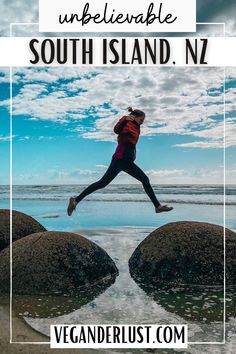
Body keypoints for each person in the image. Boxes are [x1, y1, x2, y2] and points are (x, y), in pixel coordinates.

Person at [67, 107, 173, 216]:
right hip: (120, 159)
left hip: (127, 161)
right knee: (104, 183)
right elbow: (116, 130)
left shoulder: (136, 127)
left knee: (106, 183)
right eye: (141, 120)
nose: (142, 122)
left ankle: (76, 200)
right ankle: (157, 206)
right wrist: (126, 119)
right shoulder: (127, 121)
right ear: (134, 117)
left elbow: (131, 143)